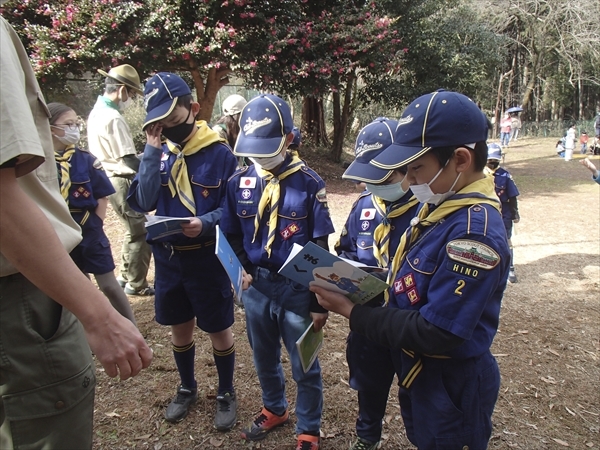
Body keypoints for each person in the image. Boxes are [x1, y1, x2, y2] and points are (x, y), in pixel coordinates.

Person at [312, 89, 511, 450]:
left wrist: (352, 312)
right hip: (422, 373)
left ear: (461, 159)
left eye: (415, 168)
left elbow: (438, 331)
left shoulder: (472, 234)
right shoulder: (443, 208)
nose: (408, 179)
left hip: (450, 383)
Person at [0, 14, 152, 450]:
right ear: (122, 91)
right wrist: (99, 316)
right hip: (22, 298)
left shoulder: (94, 117)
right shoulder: (111, 120)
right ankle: (132, 289)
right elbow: (5, 202)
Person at [220, 94, 335, 450]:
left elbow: (319, 248)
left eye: (266, 148)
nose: (258, 158)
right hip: (257, 287)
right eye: (252, 149)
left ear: (287, 139)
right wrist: (243, 271)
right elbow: (232, 235)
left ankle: (309, 427)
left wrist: (319, 302)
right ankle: (274, 407)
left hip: (299, 289)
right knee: (263, 355)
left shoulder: (309, 184)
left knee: (304, 363)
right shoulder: (238, 183)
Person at [127, 73, 239, 429]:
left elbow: (232, 209)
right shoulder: (156, 153)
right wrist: (150, 152)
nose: (167, 128)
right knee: (180, 326)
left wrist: (205, 222)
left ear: (192, 109)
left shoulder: (219, 154)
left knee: (218, 326)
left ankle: (225, 391)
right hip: (169, 259)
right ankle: (187, 386)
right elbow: (142, 201)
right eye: (159, 123)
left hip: (207, 257)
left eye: (173, 120)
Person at [334, 118, 419, 450]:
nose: (371, 185)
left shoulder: (428, 211)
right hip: (368, 324)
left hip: (410, 328)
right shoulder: (364, 208)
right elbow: (345, 250)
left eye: (382, 177)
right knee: (370, 387)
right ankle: (367, 436)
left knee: (417, 390)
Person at [50, 102, 137, 323]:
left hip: (88, 228)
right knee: (79, 287)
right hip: (59, 233)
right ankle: (90, 332)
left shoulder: (86, 160)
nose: (74, 129)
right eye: (67, 124)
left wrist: (95, 224)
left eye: (76, 123)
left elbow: (101, 195)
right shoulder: (41, 163)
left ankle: (131, 327)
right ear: (50, 127)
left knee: (109, 285)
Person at [87, 64, 153, 296]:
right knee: (141, 231)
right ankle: (137, 283)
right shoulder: (112, 116)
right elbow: (127, 159)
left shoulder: (96, 111)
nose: (132, 99)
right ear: (123, 90)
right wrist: (149, 173)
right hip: (120, 178)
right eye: (132, 94)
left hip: (106, 177)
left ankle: (126, 275)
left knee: (130, 230)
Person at [485, 143, 520, 283]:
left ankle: (510, 269)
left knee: (506, 240)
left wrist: (515, 212)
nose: (493, 163)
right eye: (490, 160)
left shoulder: (505, 175)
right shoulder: (480, 174)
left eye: (495, 160)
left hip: (503, 212)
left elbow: (512, 196)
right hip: (486, 210)